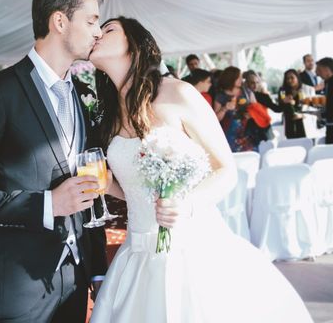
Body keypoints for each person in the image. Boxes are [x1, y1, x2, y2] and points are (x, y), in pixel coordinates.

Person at [88, 17, 312, 323]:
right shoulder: (112, 114)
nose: (98, 34)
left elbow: (226, 169)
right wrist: (103, 184)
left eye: (109, 29)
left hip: (192, 251)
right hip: (137, 254)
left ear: (135, 45)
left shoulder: (178, 93)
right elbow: (134, 191)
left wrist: (186, 204)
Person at [0, 0, 108, 323]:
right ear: (59, 21)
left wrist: (97, 269)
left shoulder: (81, 93)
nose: (98, 32)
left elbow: (85, 189)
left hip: (74, 282)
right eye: (91, 21)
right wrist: (47, 204)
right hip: (16, 287)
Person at [213, 66, 258, 152]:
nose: (242, 80)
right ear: (231, 78)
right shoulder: (220, 96)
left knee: (252, 159)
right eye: (239, 77)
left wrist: (251, 114)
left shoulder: (247, 92)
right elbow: (216, 119)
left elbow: (257, 110)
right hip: (229, 137)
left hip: (249, 134)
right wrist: (225, 108)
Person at [278, 69, 314, 139]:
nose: (289, 80)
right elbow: (281, 103)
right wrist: (284, 101)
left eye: (292, 77)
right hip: (290, 124)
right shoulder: (283, 90)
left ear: (297, 77)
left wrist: (302, 115)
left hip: (304, 123)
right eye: (287, 78)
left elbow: (312, 107)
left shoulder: (307, 89)